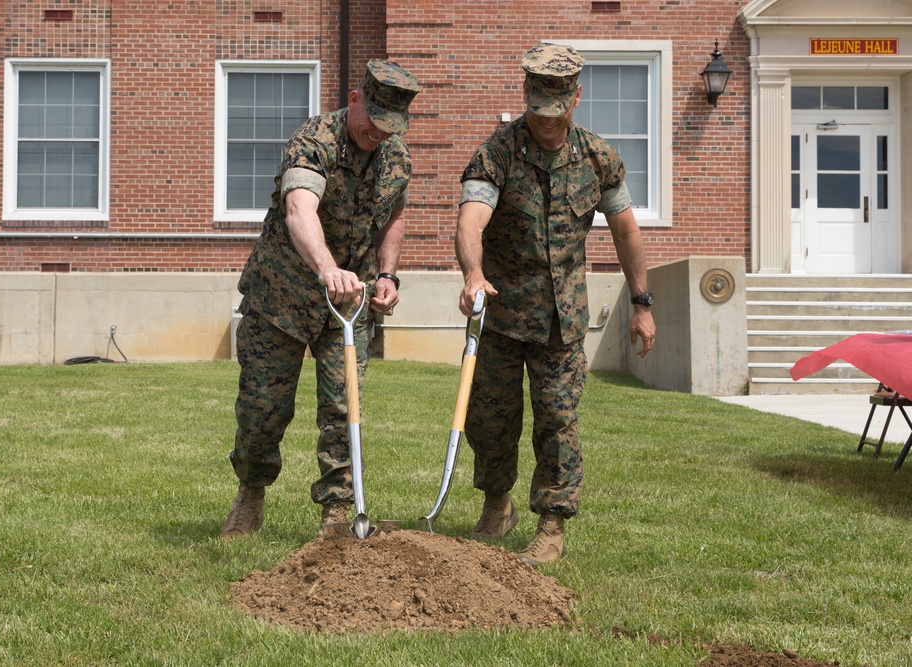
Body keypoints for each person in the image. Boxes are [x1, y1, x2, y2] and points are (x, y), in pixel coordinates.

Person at [454, 43, 656, 565]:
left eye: (557, 109)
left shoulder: (598, 158)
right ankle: (497, 505)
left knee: (558, 419)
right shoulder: (495, 153)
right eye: (538, 109)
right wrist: (473, 275)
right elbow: (471, 219)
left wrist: (641, 302)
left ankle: (551, 523)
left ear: (576, 98)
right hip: (499, 315)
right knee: (490, 421)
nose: (547, 122)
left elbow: (626, 231)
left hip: (562, 320)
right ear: (525, 96)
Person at [221, 59, 421, 538]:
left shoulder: (396, 157)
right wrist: (327, 268)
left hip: (348, 306)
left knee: (343, 407)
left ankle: (339, 510)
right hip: (282, 299)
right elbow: (298, 208)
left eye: (390, 126)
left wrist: (388, 274)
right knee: (262, 410)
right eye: (372, 122)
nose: (379, 133)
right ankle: (251, 491)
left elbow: (393, 216)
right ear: (354, 100)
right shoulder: (314, 141)